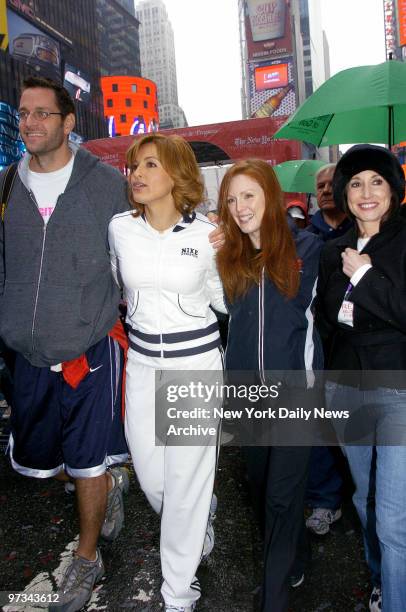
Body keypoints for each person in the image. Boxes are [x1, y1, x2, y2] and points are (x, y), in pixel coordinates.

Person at [0, 76, 131, 612]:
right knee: (43, 458)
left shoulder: (106, 185)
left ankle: (86, 557)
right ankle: (107, 494)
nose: (29, 122)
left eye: (41, 113)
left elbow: (143, 242)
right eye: (23, 114)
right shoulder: (7, 184)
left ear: (68, 121)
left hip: (89, 348)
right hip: (26, 353)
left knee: (86, 459)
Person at [108, 133, 226, 612]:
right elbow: (117, 284)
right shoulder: (120, 228)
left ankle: (178, 591)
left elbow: (225, 297)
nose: (136, 174)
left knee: (186, 480)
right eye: (134, 165)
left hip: (195, 363)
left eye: (149, 165)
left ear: (177, 174)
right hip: (142, 364)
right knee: (156, 480)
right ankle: (197, 517)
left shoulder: (207, 236)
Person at [216, 159, 323, 612]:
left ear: (271, 197)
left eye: (249, 195)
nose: (240, 207)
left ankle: (273, 597)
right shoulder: (227, 257)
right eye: (232, 198)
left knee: (281, 495)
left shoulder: (308, 248)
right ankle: (296, 554)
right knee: (262, 491)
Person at [316, 144, 406, 612]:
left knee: (394, 520)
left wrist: (368, 278)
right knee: (366, 499)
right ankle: (380, 580)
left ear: (393, 188)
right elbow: (326, 323)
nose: (366, 192)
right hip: (346, 390)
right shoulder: (334, 251)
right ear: (344, 194)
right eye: (355, 183)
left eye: (377, 181)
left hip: (398, 392)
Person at [305, 162, 352, 537]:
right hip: (318, 344)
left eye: (330, 183)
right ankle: (324, 499)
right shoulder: (302, 234)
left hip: (357, 348)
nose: (324, 190)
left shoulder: (367, 231)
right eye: (318, 185)